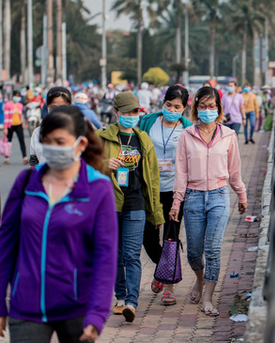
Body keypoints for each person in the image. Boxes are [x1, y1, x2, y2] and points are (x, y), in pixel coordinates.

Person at [0, 106, 117, 342]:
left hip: (77, 309)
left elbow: (105, 255)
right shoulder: (26, 182)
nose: (52, 148)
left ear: (81, 144)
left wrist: (97, 314)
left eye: (60, 142)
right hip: (26, 307)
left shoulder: (98, 188)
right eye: (47, 142)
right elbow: (5, 245)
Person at [169, 86, 247, 316]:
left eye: (212, 106)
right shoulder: (186, 135)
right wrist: (176, 202)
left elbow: (235, 171)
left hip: (219, 196)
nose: (207, 110)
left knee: (213, 249)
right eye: (203, 106)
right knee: (194, 252)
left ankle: (210, 298)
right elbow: (181, 171)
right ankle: (200, 280)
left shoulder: (229, 135)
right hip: (192, 197)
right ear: (195, 108)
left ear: (219, 108)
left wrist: (241, 195)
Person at [96, 92, 164, 322]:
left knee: (132, 255)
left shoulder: (143, 139)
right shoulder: (101, 137)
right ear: (116, 113)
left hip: (136, 203)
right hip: (109, 204)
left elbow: (153, 179)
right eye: (126, 112)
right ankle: (121, 297)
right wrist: (104, 164)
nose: (131, 116)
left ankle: (132, 303)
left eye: (135, 112)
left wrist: (157, 213)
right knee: (115, 254)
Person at [139, 85, 192, 305]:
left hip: (175, 190)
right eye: (168, 105)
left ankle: (169, 286)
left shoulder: (188, 130)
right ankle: (165, 269)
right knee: (148, 237)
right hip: (150, 188)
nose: (171, 109)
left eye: (176, 106)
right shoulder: (148, 122)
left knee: (171, 237)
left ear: (184, 107)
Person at [30, 87, 72, 166]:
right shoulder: (37, 133)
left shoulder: (79, 131)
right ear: (48, 106)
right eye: (54, 107)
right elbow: (33, 163)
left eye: (63, 107)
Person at [3, 90, 28, 165]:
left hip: (18, 125)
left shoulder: (20, 105)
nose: (17, 98)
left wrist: (23, 123)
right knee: (8, 142)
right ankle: (6, 158)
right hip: (10, 125)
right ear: (13, 96)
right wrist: (5, 128)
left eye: (18, 96)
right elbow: (6, 117)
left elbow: (22, 115)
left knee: (22, 140)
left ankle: (25, 157)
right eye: (16, 96)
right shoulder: (8, 105)